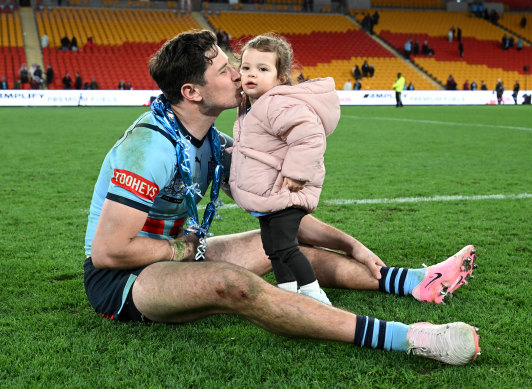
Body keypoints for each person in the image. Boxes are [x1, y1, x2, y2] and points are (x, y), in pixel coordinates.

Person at [83, 30, 481, 366]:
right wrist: (180, 252)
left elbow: (280, 210)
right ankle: (408, 338)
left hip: (181, 251)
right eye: (225, 70)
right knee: (232, 283)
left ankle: (415, 281)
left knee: (280, 241)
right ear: (191, 91)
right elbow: (109, 252)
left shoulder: (213, 143)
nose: (240, 75)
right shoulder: (149, 149)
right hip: (124, 280)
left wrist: (351, 244)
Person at [231, 34, 337, 304]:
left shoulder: (277, 103)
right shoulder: (251, 106)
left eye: (263, 69)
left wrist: (296, 172)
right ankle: (287, 292)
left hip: (287, 191)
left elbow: (309, 135)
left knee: (286, 247)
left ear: (280, 78)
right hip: (271, 195)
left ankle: (314, 294)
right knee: (272, 249)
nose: (251, 74)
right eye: (246, 67)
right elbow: (257, 148)